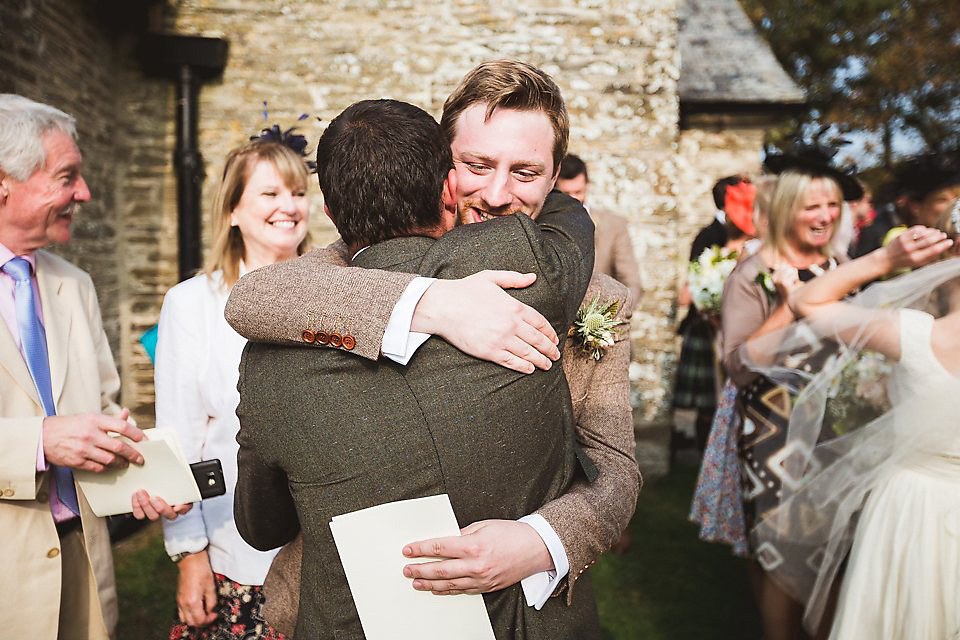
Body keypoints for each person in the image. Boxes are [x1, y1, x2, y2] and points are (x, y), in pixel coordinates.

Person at [226, 60, 639, 634]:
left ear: (554, 178)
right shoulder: (343, 265)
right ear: (443, 166)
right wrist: (432, 302)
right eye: (477, 165)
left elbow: (616, 470)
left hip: (527, 610)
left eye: (525, 172)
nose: (496, 193)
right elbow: (254, 298)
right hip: (347, 598)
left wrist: (538, 541)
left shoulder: (598, 296)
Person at [0, 94, 188, 640]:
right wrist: (38, 442)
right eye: (66, 177)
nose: (83, 193)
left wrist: (142, 470)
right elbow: (50, 435)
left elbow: (101, 408)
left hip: (85, 565)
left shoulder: (73, 283)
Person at [744, 216, 955, 638]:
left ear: (950, 254)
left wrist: (886, 257)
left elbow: (809, 302)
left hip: (910, 507)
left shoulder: (914, 335)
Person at [155, 134, 312, 639]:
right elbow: (177, 438)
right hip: (235, 555)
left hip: (323, 561)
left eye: (297, 192)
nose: (289, 207)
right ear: (232, 212)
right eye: (271, 194)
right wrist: (189, 555)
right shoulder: (192, 304)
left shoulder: (339, 292)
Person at [719, 145, 862, 640]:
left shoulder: (844, 264)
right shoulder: (750, 274)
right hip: (774, 433)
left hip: (837, 428)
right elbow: (738, 366)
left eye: (832, 206)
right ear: (787, 210)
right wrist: (789, 304)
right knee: (777, 549)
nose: (824, 216)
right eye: (811, 206)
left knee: (834, 545)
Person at [674, 175, 755, 455]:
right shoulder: (709, 236)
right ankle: (706, 453)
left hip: (737, 324)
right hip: (707, 326)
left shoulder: (753, 237)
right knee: (709, 399)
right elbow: (692, 286)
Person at [556, 153, 644, 304]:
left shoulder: (614, 225)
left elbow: (632, 284)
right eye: (566, 194)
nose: (573, 200)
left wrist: (611, 316)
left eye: (578, 192)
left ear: (587, 185)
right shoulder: (539, 222)